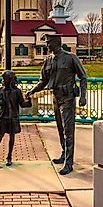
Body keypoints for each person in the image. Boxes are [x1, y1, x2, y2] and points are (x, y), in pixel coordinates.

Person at [26, 34, 88, 175]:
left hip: (68, 98)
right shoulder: (48, 60)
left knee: (68, 130)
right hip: (55, 97)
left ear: (56, 43)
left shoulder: (71, 57)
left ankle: (69, 162)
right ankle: (64, 153)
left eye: (49, 43)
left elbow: (83, 77)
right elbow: (43, 81)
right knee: (60, 128)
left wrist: (83, 96)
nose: (47, 45)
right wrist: (31, 91)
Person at [0, 70, 32, 166]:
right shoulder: (0, 90)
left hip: (13, 117)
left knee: (12, 137)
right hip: (3, 116)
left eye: (5, 79)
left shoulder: (17, 91)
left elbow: (22, 104)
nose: (3, 80)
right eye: (3, 79)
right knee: (0, 136)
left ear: (10, 80)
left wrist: (29, 101)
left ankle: (9, 156)